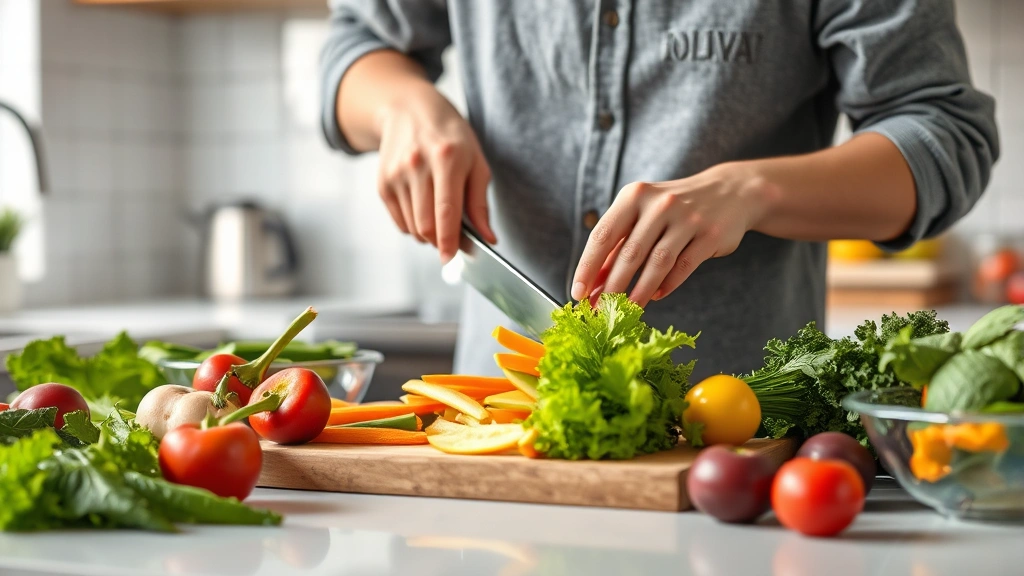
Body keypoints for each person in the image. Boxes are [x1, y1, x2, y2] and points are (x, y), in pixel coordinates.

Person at [320, 1, 998, 379]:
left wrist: (753, 190)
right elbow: (356, 44)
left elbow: (946, 134)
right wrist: (401, 106)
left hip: (740, 443)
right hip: (498, 434)